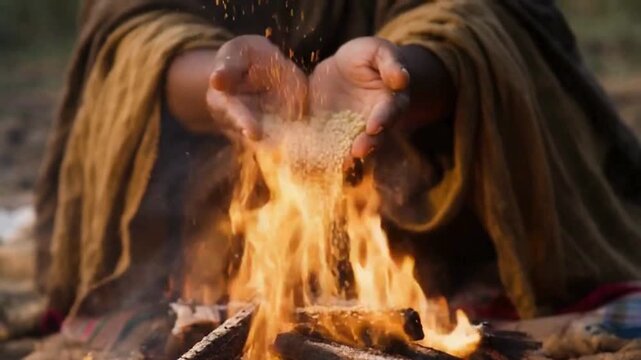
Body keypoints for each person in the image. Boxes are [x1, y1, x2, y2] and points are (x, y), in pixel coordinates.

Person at [33, 0, 641, 355]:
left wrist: (403, 73)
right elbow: (130, 33)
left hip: (439, 219)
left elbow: (494, 17)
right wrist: (219, 85)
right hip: (205, 218)